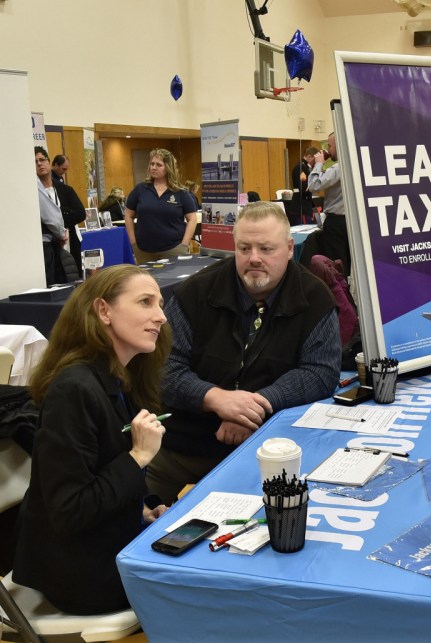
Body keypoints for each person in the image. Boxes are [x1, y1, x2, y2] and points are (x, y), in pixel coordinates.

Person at [146, 201, 341, 502]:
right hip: (185, 450)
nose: (254, 259)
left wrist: (254, 406)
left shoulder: (315, 298)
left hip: (275, 453)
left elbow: (320, 372)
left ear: (290, 248)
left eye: (266, 249)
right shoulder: (195, 293)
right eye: (244, 248)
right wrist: (216, 399)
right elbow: (163, 369)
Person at [13, 265, 171, 615]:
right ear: (103, 311)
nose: (160, 316)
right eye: (145, 302)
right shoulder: (74, 389)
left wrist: (141, 510)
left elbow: (99, 474)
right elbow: (70, 511)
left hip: (105, 547)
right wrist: (138, 457)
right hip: (81, 577)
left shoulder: (118, 378)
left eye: (159, 304)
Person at [124, 148, 197, 263]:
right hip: (144, 250)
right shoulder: (140, 189)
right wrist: (133, 242)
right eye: (152, 164)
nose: (153, 167)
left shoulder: (180, 193)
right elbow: (128, 216)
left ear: (168, 168)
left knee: (172, 281)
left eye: (159, 165)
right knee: (147, 281)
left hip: (173, 249)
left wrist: (184, 244)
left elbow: (192, 219)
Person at [308, 132, 351, 276]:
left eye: (330, 145)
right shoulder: (354, 164)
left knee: (337, 265)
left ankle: (340, 295)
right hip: (351, 222)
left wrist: (319, 163)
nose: (328, 149)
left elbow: (314, 185)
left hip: (337, 222)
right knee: (348, 263)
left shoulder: (340, 167)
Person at [35, 146, 75, 285]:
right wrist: (60, 233)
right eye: (35, 161)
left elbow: (79, 213)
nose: (39, 163)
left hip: (56, 243)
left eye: (42, 159)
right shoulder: (35, 187)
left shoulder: (63, 188)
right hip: (46, 245)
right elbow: (51, 218)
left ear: (48, 161)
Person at [289, 146, 318, 226]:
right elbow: (302, 187)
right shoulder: (300, 168)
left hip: (306, 205)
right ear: (309, 156)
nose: (316, 163)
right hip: (301, 206)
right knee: (305, 230)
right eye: (315, 160)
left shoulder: (306, 167)